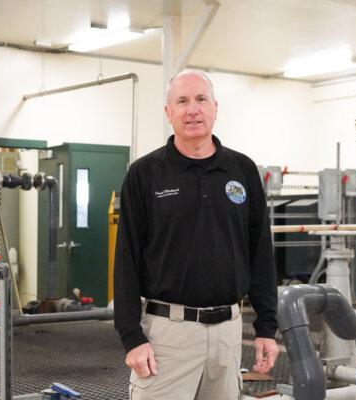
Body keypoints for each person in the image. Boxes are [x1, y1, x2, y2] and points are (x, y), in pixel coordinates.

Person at [114, 70, 278, 400]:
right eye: (183, 101)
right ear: (168, 112)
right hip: (167, 337)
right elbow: (127, 259)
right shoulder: (145, 174)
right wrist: (131, 335)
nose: (193, 110)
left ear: (215, 107)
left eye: (201, 99)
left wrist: (266, 327)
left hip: (229, 334)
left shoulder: (243, 170)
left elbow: (260, 252)